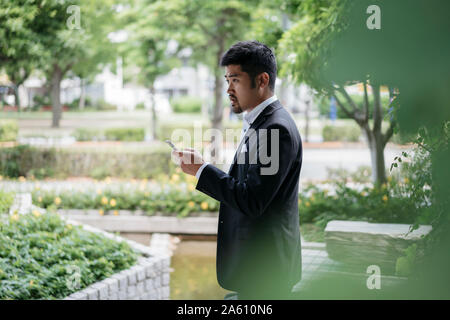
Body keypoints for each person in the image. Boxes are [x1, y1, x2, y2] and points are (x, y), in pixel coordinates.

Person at [173, 40, 302, 300]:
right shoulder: (260, 122)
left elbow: (252, 199)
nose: (228, 89)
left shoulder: (275, 130)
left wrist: (202, 170)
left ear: (262, 80)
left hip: (266, 272)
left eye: (235, 80)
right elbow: (249, 185)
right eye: (226, 80)